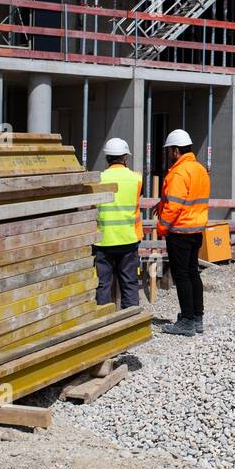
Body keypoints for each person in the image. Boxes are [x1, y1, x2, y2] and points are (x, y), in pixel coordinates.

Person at [156, 128, 210, 336]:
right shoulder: (199, 169)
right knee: (193, 272)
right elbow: (186, 199)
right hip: (195, 230)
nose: (169, 154)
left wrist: (162, 227)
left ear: (176, 151)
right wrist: (161, 203)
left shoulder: (179, 172)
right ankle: (197, 318)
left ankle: (186, 320)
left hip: (179, 231)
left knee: (182, 276)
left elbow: (175, 206)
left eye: (170, 151)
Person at [93, 137, 143, 310]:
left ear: (107, 158)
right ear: (125, 158)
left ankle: (103, 322)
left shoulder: (98, 179)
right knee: (129, 283)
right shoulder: (136, 179)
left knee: (102, 284)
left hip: (103, 241)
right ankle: (131, 321)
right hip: (128, 239)